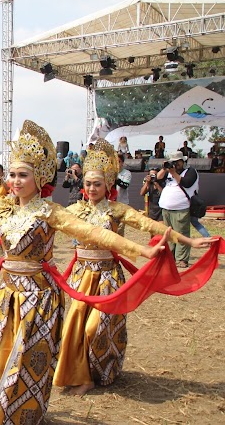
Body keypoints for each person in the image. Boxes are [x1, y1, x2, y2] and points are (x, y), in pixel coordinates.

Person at [0, 121, 171, 424]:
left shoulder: (51, 213)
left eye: (22, 175)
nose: (15, 181)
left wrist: (142, 251)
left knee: (23, 362)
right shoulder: (4, 210)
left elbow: (95, 233)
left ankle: (22, 415)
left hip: (38, 300)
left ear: (40, 178)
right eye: (12, 174)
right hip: (7, 297)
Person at [54, 139, 213, 397]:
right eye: (88, 184)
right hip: (80, 275)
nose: (92, 188)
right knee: (76, 326)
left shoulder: (118, 210)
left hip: (106, 277)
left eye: (98, 184)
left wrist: (189, 240)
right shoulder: (74, 211)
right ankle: (83, 378)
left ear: (108, 185)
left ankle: (101, 370)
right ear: (82, 186)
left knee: (96, 328)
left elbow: (154, 226)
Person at [157, 151, 199, 268]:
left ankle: (182, 259)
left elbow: (186, 183)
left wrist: (174, 172)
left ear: (183, 161)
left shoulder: (190, 172)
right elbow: (158, 178)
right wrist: (165, 169)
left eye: (178, 162)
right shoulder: (170, 172)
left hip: (181, 209)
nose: (176, 164)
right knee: (169, 235)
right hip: (166, 209)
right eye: (173, 162)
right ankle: (170, 257)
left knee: (182, 234)